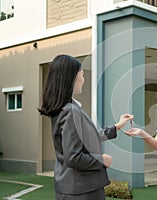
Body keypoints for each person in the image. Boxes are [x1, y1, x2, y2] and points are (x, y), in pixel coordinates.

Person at [38, 54, 133, 200]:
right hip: (81, 190)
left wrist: (117, 126)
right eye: (81, 75)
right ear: (71, 79)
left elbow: (87, 137)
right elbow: (74, 157)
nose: (83, 80)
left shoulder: (66, 108)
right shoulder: (70, 112)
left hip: (75, 187)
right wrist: (101, 160)